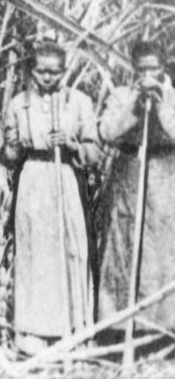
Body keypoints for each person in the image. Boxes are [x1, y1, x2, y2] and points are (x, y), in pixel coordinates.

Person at [2, 43, 101, 354]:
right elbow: (8, 154)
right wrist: (13, 147)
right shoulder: (20, 104)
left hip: (66, 180)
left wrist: (72, 145)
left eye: (54, 71)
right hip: (33, 180)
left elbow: (94, 151)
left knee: (70, 248)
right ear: (32, 71)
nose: (48, 77)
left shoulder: (79, 102)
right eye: (41, 71)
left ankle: (70, 328)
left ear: (64, 71)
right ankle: (33, 332)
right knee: (35, 251)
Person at [96, 41, 175, 331]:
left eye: (153, 68)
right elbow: (106, 131)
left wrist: (161, 108)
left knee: (161, 250)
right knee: (125, 245)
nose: (147, 75)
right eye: (141, 69)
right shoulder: (121, 95)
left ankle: (162, 326)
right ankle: (119, 325)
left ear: (163, 67)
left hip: (165, 176)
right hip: (130, 174)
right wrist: (134, 108)